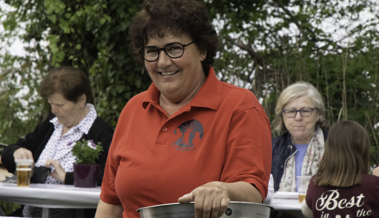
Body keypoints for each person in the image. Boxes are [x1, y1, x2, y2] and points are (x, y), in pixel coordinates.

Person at [95, 0, 272, 218]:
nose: (162, 62)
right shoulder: (133, 108)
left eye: (174, 48)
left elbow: (253, 191)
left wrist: (222, 190)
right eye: (152, 51)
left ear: (202, 50)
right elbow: (111, 204)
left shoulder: (239, 105)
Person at [1, 66, 114, 218]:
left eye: (60, 105)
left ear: (81, 100)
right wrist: (16, 152)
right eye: (51, 104)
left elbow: (109, 179)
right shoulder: (50, 125)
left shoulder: (102, 133)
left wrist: (67, 177)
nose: (53, 110)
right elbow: (8, 153)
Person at [301, 120, 379, 217]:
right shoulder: (373, 184)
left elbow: (306, 211)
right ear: (363, 150)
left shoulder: (316, 183)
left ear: (329, 150)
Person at [271, 81, 328, 192]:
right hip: (279, 209)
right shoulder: (271, 148)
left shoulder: (335, 145)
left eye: (305, 111)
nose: (298, 117)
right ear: (283, 116)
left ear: (318, 114)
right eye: (291, 111)